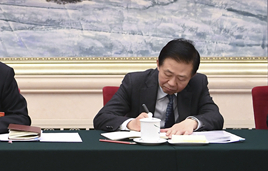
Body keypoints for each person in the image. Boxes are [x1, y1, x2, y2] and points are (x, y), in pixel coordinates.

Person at [93, 39, 223, 136]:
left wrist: (192, 122)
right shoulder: (135, 82)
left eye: (181, 78)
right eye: (168, 74)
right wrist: (131, 124)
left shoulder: (198, 83)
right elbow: (102, 118)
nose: (172, 83)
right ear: (158, 65)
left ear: (192, 76)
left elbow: (215, 117)